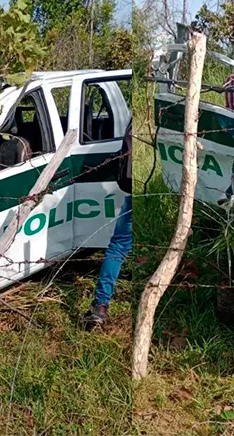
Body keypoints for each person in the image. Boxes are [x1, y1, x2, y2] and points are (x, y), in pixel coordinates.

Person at [83, 119, 133, 326]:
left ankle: (101, 305)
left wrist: (94, 168)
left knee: (118, 248)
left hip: (134, 194)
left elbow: (124, 156)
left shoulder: (134, 124)